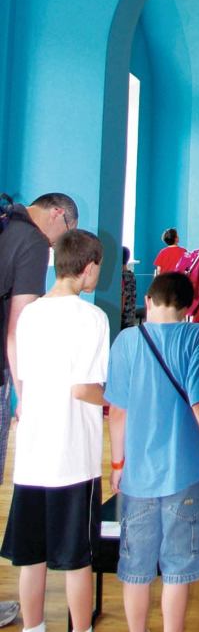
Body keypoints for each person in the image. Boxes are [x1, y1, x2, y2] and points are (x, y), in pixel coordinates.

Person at [105, 271, 199, 632]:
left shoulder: (126, 341)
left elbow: (118, 412)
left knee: (136, 568)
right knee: (177, 569)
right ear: (189, 307)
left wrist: (118, 464)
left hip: (138, 474)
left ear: (148, 301)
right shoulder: (198, 336)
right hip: (185, 473)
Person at [0, 229, 109, 632]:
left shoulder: (30, 315)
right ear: (89, 268)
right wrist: (117, 399)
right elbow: (84, 388)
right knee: (78, 558)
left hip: (32, 458)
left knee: (32, 556)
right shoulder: (92, 318)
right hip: (73, 460)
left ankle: (33, 627)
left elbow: (25, 377)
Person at [0, 192, 79, 629]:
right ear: (57, 214)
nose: (58, 246)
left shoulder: (5, 222)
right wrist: (23, 397)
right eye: (65, 233)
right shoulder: (31, 241)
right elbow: (20, 327)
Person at [121, 246, 137, 328]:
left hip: (122, 319)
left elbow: (123, 297)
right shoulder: (132, 275)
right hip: (131, 317)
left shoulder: (121, 277)